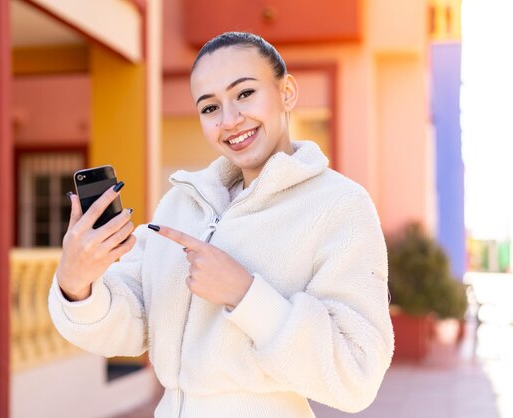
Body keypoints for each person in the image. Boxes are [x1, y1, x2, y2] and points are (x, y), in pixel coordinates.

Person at [50, 32, 394, 418]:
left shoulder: (339, 205)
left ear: (287, 92)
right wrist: (77, 284)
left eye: (245, 94)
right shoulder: (182, 202)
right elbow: (131, 328)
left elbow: (357, 375)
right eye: (210, 108)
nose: (230, 120)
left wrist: (245, 295)